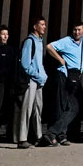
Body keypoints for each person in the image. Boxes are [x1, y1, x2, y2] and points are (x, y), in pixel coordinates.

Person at [17, 18, 50, 148]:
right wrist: (38, 75)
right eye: (41, 24)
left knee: (38, 109)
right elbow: (25, 64)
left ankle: (38, 136)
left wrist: (43, 76)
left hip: (39, 80)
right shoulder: (30, 42)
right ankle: (22, 138)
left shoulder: (40, 42)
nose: (44, 27)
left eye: (44, 24)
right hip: (31, 80)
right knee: (27, 108)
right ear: (35, 26)